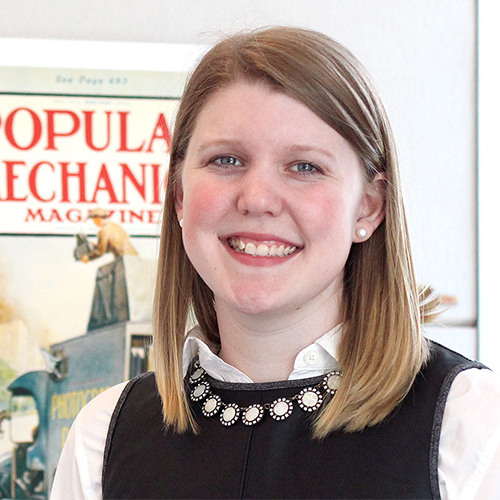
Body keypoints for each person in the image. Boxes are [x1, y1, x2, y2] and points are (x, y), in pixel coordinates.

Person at [50, 27, 500, 499]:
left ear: (368, 207)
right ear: (180, 196)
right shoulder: (100, 438)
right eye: (226, 160)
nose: (258, 198)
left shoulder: (470, 427)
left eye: (305, 166)